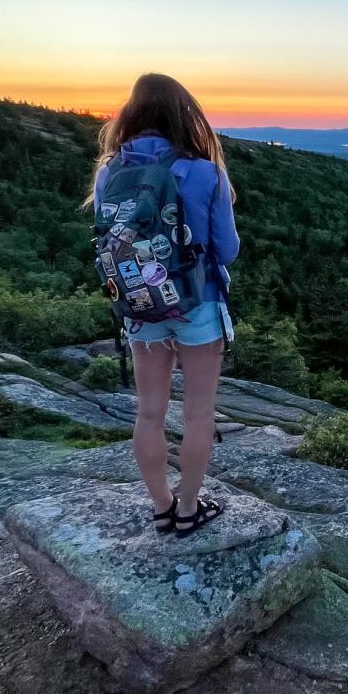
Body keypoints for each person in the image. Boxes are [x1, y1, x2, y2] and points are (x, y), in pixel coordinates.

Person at [86, 73, 240, 537]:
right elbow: (226, 250)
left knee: (149, 412)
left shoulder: (110, 171)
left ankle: (160, 506)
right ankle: (189, 508)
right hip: (197, 303)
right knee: (198, 414)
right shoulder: (205, 172)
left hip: (138, 301)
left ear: (131, 113)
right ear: (185, 115)